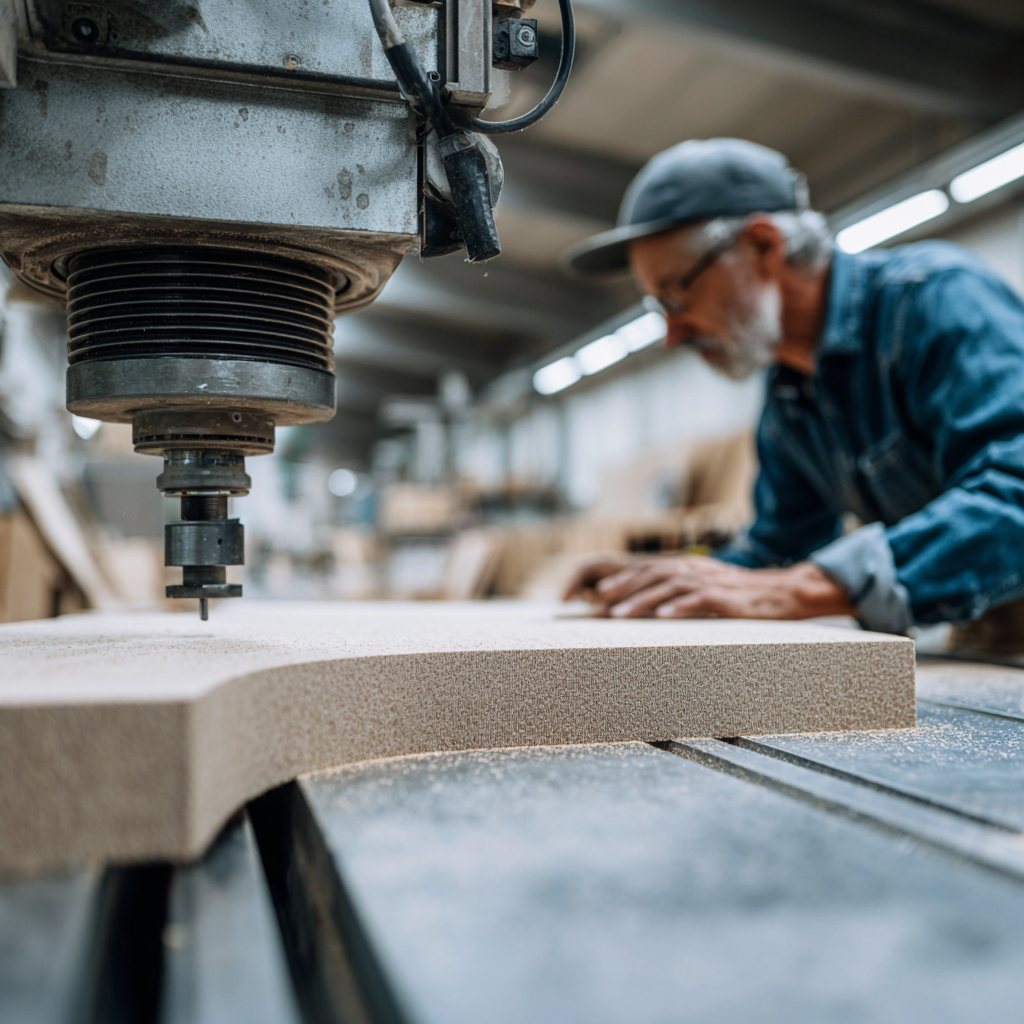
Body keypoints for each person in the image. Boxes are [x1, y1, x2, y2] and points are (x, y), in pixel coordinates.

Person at [560, 138, 1024, 636]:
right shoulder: (789, 393)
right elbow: (780, 548)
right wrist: (670, 576)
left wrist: (797, 590)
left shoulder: (935, 301)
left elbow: (1015, 491)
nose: (673, 334)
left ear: (763, 246)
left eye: (676, 297)